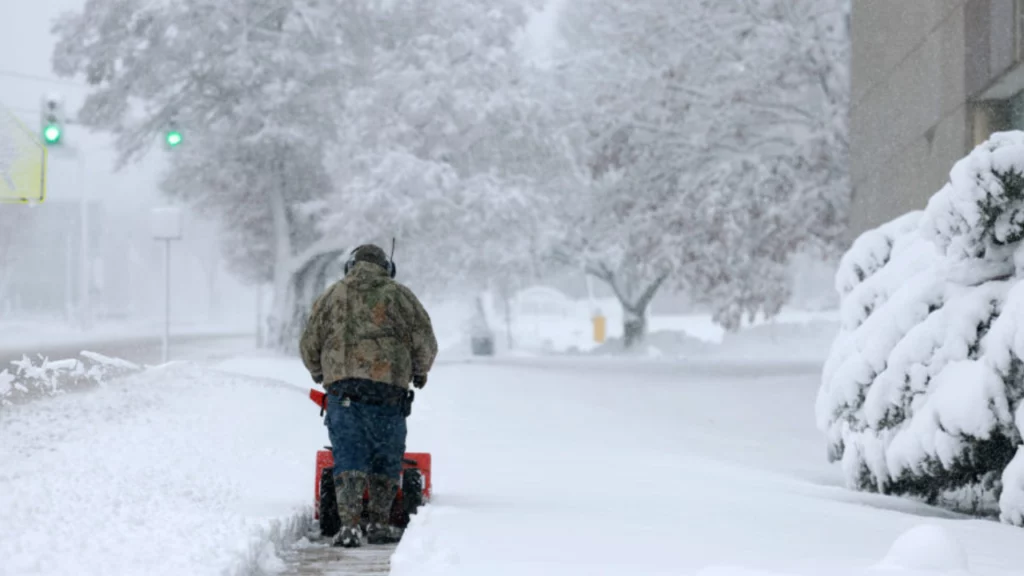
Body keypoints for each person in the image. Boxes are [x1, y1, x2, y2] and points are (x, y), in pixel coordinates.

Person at [300, 243, 438, 547]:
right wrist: (419, 372)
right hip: (388, 394)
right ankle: (379, 523)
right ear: (387, 268)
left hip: (344, 392)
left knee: (349, 454)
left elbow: (310, 342)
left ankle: (348, 527)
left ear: (350, 266)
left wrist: (319, 374)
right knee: (386, 457)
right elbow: (425, 340)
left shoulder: (331, 295)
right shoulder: (400, 296)